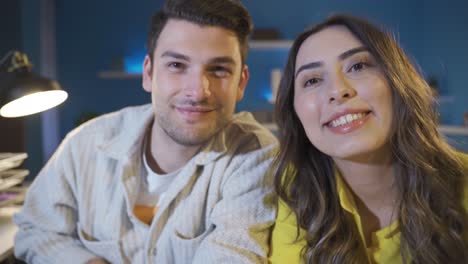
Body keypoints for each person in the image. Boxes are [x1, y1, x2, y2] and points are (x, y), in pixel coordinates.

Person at [14, 0, 278, 263]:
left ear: (241, 82)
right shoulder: (86, 142)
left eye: (219, 69)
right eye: (177, 65)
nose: (198, 91)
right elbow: (36, 231)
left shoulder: (255, 155)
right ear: (149, 73)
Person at [269, 14, 468, 264]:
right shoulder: (293, 189)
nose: (337, 91)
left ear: (398, 81)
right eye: (312, 80)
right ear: (295, 111)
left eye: (358, 66)